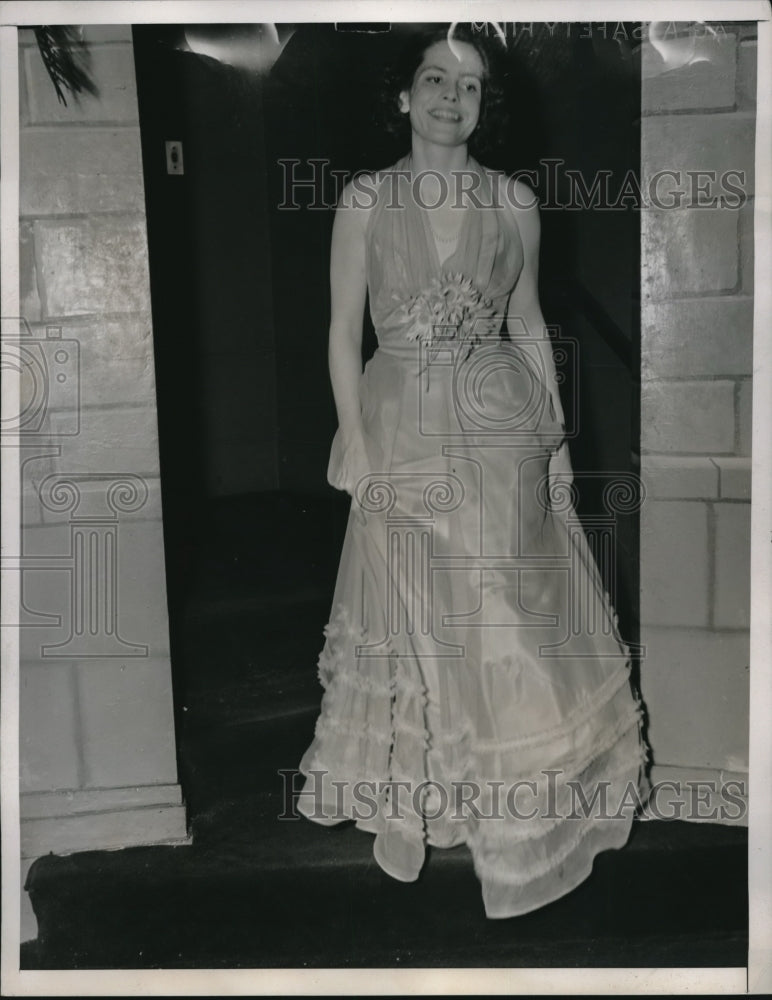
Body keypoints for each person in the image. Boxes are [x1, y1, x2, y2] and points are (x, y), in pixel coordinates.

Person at [296, 24, 649, 919]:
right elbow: (343, 331)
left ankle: (518, 806)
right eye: (436, 80)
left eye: (473, 87)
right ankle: (439, 800)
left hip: (499, 423)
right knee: (420, 617)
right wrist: (355, 441)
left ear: (487, 107)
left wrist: (558, 446)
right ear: (403, 96)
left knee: (498, 610)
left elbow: (527, 324)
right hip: (399, 422)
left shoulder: (516, 203)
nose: (454, 98)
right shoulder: (367, 200)